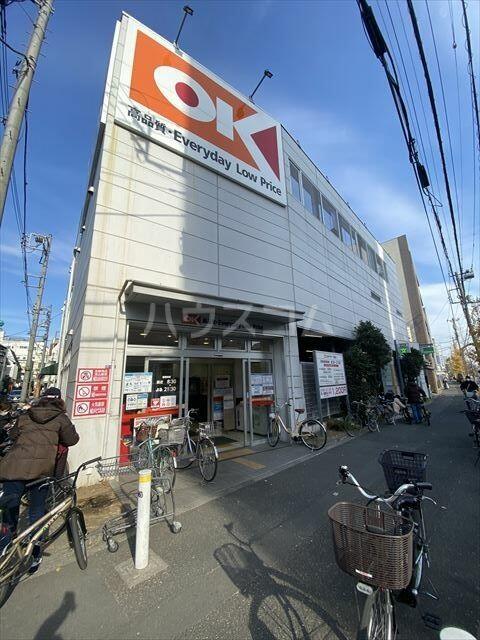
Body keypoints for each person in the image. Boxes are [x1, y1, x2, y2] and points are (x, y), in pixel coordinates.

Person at [0, 388, 79, 566]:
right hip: (41, 470)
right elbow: (72, 439)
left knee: (10, 507)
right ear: (59, 400)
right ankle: (34, 555)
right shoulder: (61, 418)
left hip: (14, 467)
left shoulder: (26, 415)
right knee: (37, 510)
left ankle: (4, 547)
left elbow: (12, 435)